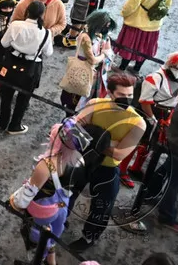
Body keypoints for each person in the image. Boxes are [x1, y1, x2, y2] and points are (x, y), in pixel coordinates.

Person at [67, 72, 145, 251]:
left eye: (130, 96)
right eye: (122, 96)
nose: (127, 100)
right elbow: (75, 132)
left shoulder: (138, 122)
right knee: (67, 192)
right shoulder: (95, 104)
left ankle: (89, 238)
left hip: (107, 167)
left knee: (102, 206)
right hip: (84, 159)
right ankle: (59, 220)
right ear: (110, 93)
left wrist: (93, 135)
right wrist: (109, 143)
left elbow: (119, 155)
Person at [8, 120, 91, 265]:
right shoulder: (80, 160)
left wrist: (11, 202)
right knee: (53, 233)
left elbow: (24, 199)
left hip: (43, 209)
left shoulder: (46, 166)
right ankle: (51, 261)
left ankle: (38, 260)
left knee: (38, 237)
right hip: (63, 205)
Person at [121, 50, 178, 188]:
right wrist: (152, 118)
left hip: (165, 116)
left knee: (150, 144)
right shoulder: (155, 78)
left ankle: (136, 168)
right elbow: (144, 101)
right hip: (147, 114)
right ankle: (122, 170)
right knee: (136, 142)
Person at [142, 77, 178, 234]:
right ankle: (167, 216)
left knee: (165, 171)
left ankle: (149, 194)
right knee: (174, 186)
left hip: (177, 149)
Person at [0, 0, 53, 134]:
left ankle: (3, 121)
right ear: (42, 15)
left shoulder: (15, 25)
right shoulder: (46, 33)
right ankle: (15, 125)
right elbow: (48, 52)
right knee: (24, 98)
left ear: (27, 11)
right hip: (31, 67)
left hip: (11, 63)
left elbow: (4, 43)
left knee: (6, 95)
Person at [115, 0, 173, 73]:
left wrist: (123, 14)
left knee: (129, 47)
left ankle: (122, 68)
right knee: (145, 49)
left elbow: (129, 8)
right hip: (154, 26)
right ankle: (136, 69)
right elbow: (167, 6)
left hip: (136, 24)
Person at [59, 9, 116, 109]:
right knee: (74, 102)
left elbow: (108, 51)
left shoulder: (103, 36)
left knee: (90, 103)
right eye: (105, 25)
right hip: (82, 71)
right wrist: (104, 55)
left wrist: (105, 54)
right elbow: (92, 60)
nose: (107, 28)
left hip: (95, 74)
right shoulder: (85, 37)